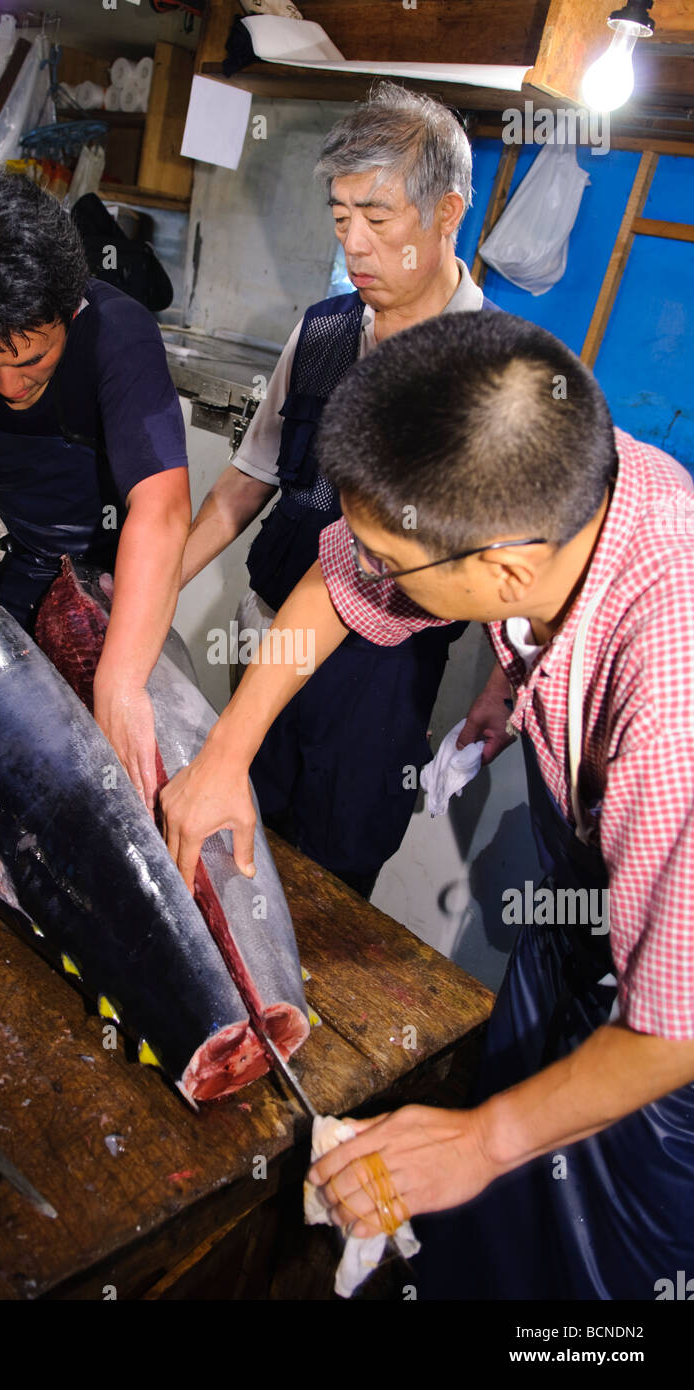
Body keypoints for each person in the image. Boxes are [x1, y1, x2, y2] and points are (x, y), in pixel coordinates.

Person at [161, 310, 694, 1299]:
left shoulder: (670, 708)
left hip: (677, 1035)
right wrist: (225, 753)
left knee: (606, 1276)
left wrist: (485, 1139)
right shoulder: (559, 477)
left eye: (391, 561)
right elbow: (334, 579)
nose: (371, 571)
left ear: (501, 572)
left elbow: (675, 1025)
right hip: (586, 924)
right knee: (494, 1226)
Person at [179, 83, 494, 898]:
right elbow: (246, 482)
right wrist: (141, 588)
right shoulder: (321, 330)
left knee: (331, 869)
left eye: (378, 219)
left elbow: (368, 574)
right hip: (268, 629)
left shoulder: (486, 373)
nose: (355, 243)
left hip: (374, 678)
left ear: (446, 211)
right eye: (340, 216)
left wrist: (502, 686)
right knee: (236, 833)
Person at [0, 167, 190, 811]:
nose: (8, 386)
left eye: (31, 361)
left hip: (100, 580)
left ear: (69, 306)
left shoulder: (120, 334)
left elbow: (163, 510)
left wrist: (120, 681)